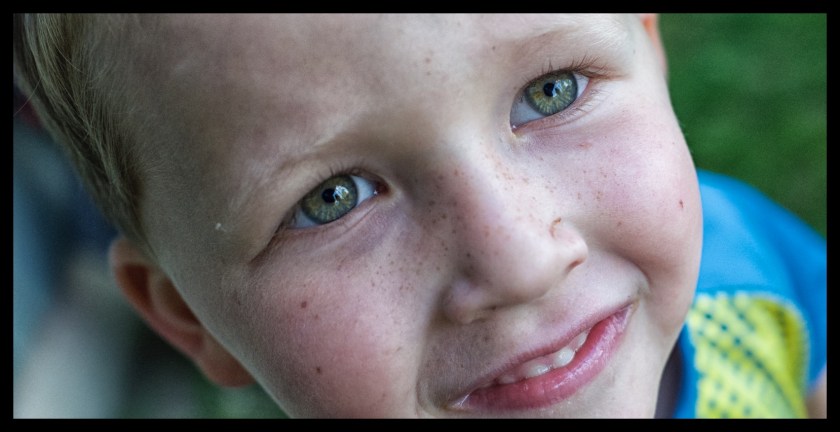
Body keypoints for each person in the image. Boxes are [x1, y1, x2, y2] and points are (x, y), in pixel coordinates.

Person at [12, 14, 826, 418]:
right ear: (191, 319)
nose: (520, 263)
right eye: (332, 198)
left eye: (553, 92)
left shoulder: (739, 265)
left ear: (648, 45)